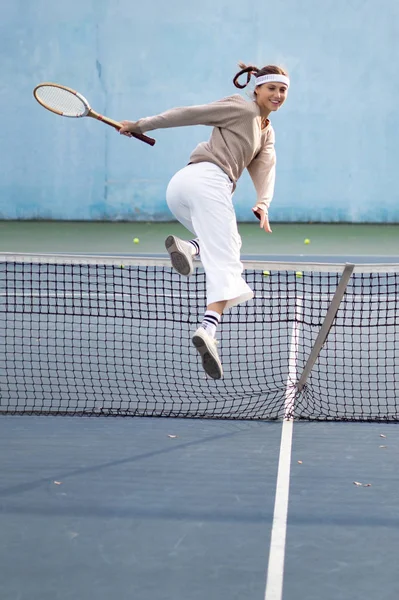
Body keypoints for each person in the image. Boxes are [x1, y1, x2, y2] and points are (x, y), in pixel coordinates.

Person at [120, 62, 289, 380]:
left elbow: (267, 166)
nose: (278, 94)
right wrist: (141, 125)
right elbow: (189, 113)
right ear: (256, 89)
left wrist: (262, 204)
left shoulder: (266, 131)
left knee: (227, 244)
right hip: (206, 181)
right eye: (272, 88)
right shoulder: (241, 107)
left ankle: (191, 247)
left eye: (283, 90)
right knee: (228, 259)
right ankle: (208, 328)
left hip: (182, 188)